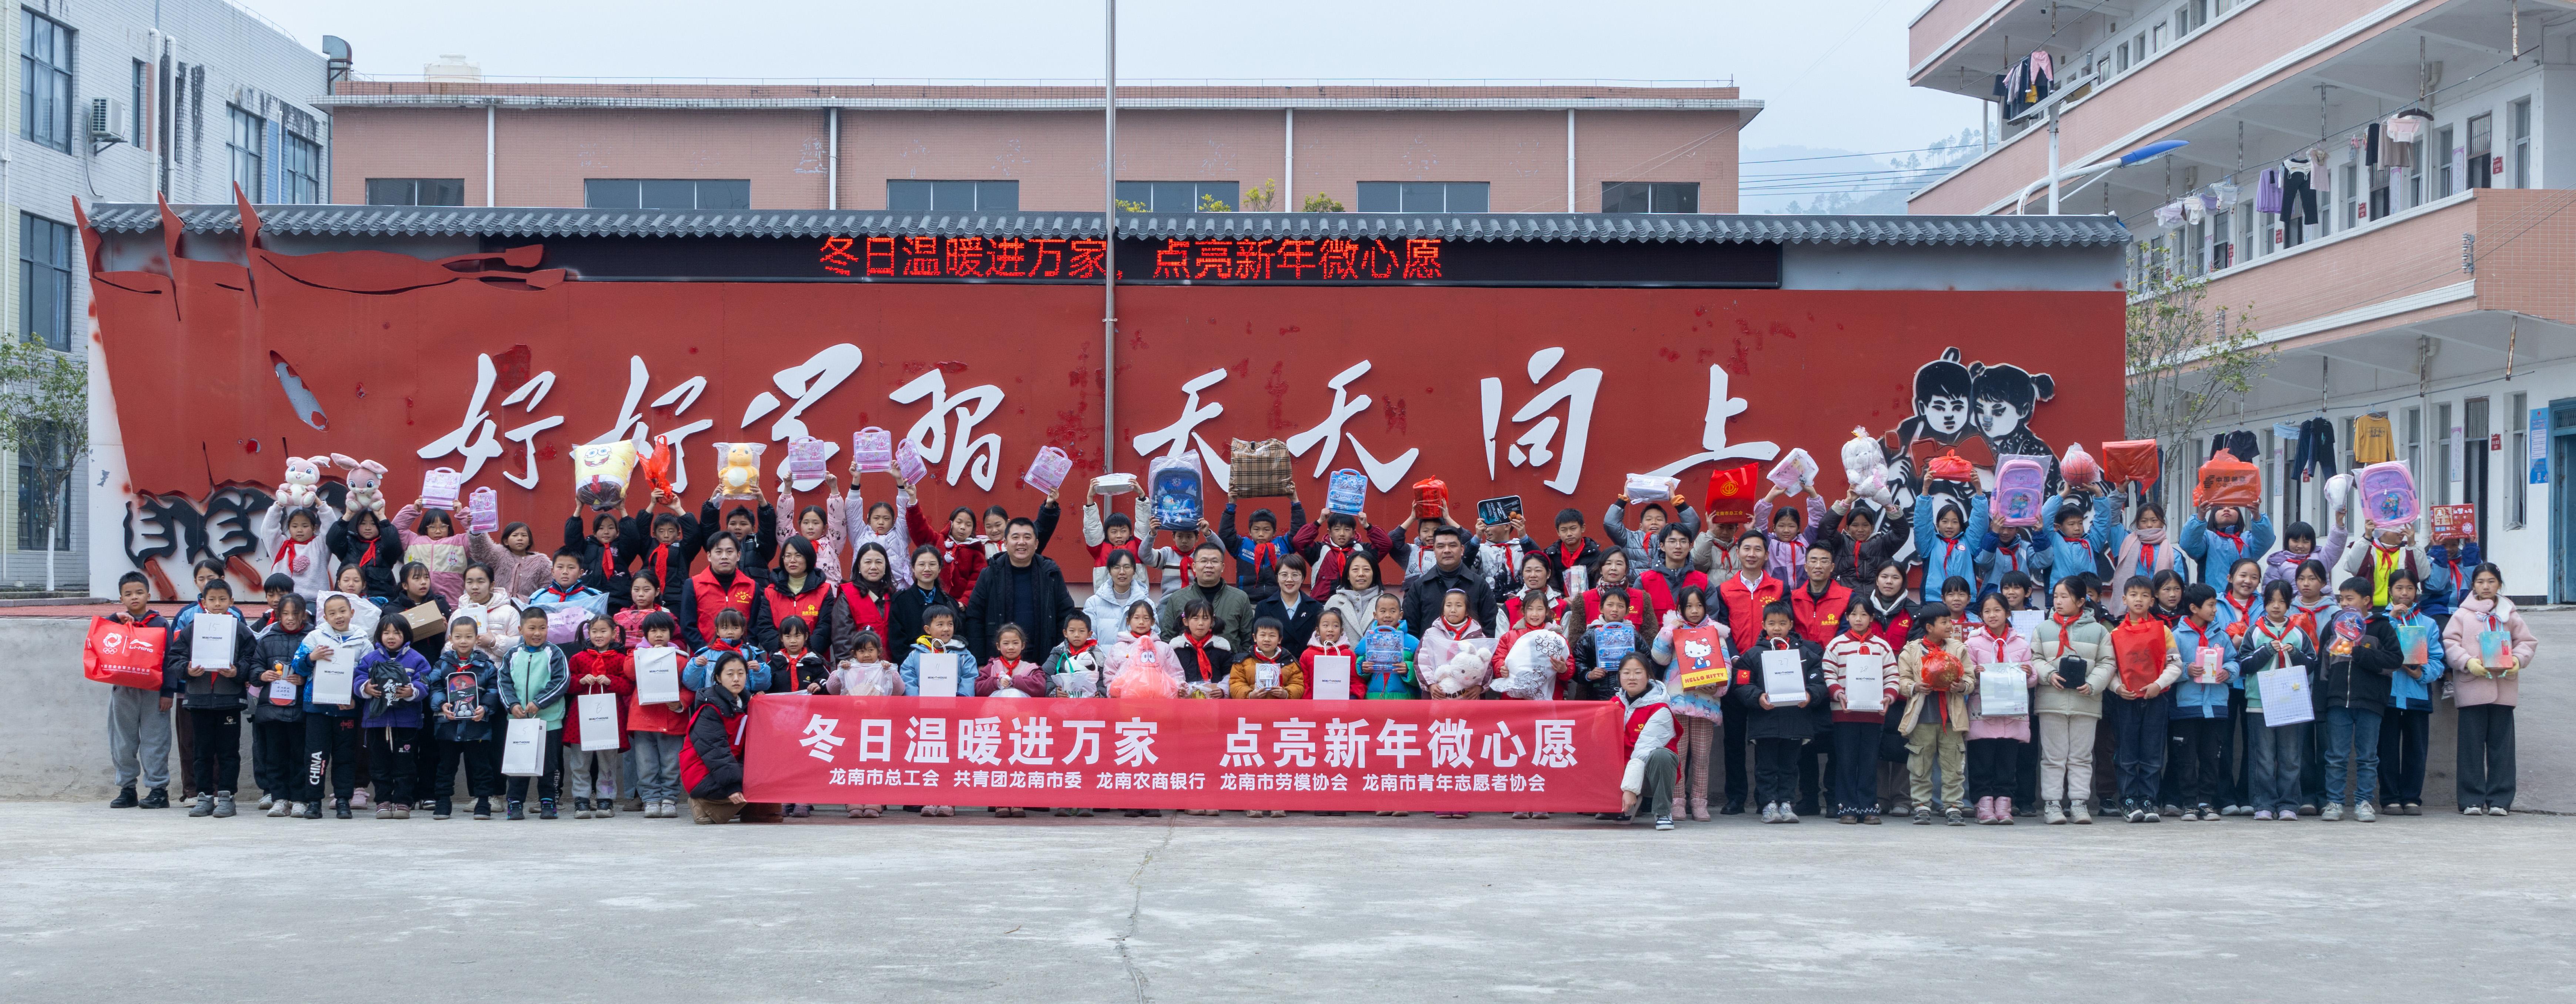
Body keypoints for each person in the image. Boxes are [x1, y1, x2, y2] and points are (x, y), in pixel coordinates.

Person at [2444, 563, 2533, 816]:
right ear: (2473, 585)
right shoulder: (2463, 614)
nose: (2486, 586)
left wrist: (2518, 659)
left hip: (2503, 689)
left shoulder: (2510, 614)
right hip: (2472, 689)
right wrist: (2467, 662)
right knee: (2470, 747)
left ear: (2500, 585)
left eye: (2492, 581)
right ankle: (2471, 800)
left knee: (2502, 748)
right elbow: (2450, 642)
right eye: (2481, 581)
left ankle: (2500, 800)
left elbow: (2527, 642)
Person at [167, 577, 256, 819]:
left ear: (232, 602)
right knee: (202, 752)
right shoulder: (193, 628)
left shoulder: (240, 630)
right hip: (199, 700)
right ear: (203, 602)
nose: (218, 604)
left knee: (229, 752)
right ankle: (204, 796)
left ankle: (227, 797)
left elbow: (252, 659)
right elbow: (175, 658)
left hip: (229, 701)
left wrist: (238, 672)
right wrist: (188, 670)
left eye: (223, 599)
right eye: (213, 600)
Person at [1730, 602, 1825, 824]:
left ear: (1791, 625)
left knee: (1790, 767)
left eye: (1782, 623)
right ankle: (1769, 805)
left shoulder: (1805, 654)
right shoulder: (1752, 655)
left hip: (1796, 721)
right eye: (1772, 623)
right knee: (1766, 767)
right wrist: (1757, 697)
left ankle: (1787, 803)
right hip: (1765, 723)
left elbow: (1819, 682)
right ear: (1763, 625)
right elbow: (1742, 684)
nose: (1777, 628)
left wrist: (1810, 695)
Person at [2317, 576, 2402, 821]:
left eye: (2350, 598)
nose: (2345, 604)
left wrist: (2360, 653)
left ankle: (2364, 802)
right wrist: (2321, 702)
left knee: (2367, 757)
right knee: (2336, 757)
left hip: (2370, 702)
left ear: (2366, 601)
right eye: (2341, 599)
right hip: (2337, 701)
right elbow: (2322, 667)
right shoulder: (2333, 626)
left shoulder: (2381, 627)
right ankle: (2335, 803)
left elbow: (2394, 661)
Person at [2030, 573, 2113, 824]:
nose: (2058, 601)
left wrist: (2093, 684)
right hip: (2051, 701)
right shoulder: (2043, 629)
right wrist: (2049, 675)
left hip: (2086, 702)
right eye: (2056, 596)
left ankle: (2079, 803)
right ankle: (2052, 804)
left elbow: (2108, 662)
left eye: (2064, 597)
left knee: (2081, 757)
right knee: (2053, 757)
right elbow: (2034, 659)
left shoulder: (2099, 631)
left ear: (2080, 601)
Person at [2106, 576, 2183, 823]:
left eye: (2145, 595)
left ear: (2152, 601)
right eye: (2133, 595)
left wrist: (2158, 685)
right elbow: (2109, 667)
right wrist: (2117, 688)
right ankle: (2128, 800)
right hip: (2126, 700)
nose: (2139, 600)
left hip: (2156, 698)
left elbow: (2176, 664)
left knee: (2152, 752)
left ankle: (2149, 799)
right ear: (2124, 599)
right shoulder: (2115, 634)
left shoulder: (2164, 631)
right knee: (2126, 752)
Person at [2236, 580, 2314, 821]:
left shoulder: (2299, 632)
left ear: (2289, 603)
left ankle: (2289, 804)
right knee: (2264, 757)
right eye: (2271, 601)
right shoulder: (2255, 631)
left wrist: (2295, 653)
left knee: (2291, 757)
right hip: (2260, 702)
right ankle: (2264, 804)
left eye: (2282, 601)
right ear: (2265, 603)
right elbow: (2244, 665)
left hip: (2292, 702)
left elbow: (2312, 663)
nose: (2276, 606)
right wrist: (2267, 650)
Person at [291, 593, 373, 820]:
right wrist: (312, 657)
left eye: (343, 611)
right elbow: (297, 667)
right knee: (316, 755)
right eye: (333, 613)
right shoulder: (315, 637)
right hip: (317, 709)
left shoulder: (363, 642)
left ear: (352, 613)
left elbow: (368, 675)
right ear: (325, 617)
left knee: (345, 755)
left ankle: (343, 800)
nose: (339, 616)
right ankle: (314, 801)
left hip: (347, 710)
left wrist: (356, 698)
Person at [1647, 585, 1725, 819]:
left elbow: (1727, 665)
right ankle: (1677, 802)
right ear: (1680, 608)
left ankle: (1700, 802)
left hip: (1706, 704)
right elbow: (1659, 657)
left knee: (1702, 757)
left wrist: (1719, 687)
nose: (1694, 611)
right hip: (1678, 703)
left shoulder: (1715, 632)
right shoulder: (1673, 629)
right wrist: (1669, 630)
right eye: (1689, 606)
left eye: (1699, 606)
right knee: (1678, 756)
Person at [102, 572, 175, 810]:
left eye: (139, 592)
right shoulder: (116, 623)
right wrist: (115, 618)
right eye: (128, 594)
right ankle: (127, 789)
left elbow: (170, 659)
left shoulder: (160, 623)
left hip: (155, 692)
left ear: (149, 595)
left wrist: (168, 692)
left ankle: (158, 790)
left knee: (156, 741)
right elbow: (100, 637)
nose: (134, 597)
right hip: (124, 691)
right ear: (121, 598)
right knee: (123, 741)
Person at [2374, 570, 2445, 816]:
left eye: (2410, 588)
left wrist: (2420, 674)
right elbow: (2374, 651)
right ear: (2390, 591)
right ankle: (2390, 799)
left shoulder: (2428, 624)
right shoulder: (2380, 621)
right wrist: (2392, 621)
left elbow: (2437, 660)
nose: (2404, 593)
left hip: (2417, 695)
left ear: (2417, 592)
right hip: (2388, 695)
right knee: (2387, 748)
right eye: (2399, 588)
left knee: (2417, 749)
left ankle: (2412, 798)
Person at [1962, 591, 2035, 824]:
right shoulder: (1972, 643)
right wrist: (1974, 674)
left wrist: (2029, 673)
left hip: (2012, 715)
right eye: (1987, 611)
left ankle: (2004, 805)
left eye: (1997, 610)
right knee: (1981, 762)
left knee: (2007, 763)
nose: (1992, 615)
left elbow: (2033, 679)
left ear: (2008, 613)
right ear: (1981, 615)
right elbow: (1965, 676)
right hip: (1982, 713)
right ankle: (1983, 805)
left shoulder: (2021, 643)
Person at [965, 517, 1081, 662]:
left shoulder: (1050, 574)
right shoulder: (990, 574)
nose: (1022, 542)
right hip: (997, 663)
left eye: (1027, 537)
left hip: (1045, 661)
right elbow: (975, 618)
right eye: (1015, 537)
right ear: (1006, 543)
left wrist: (1060, 659)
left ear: (1036, 543)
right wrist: (981, 661)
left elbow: (1065, 616)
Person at [1823, 600, 1897, 824]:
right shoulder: (1837, 645)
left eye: (1864, 615)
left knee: (1869, 761)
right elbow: (1829, 674)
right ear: (1847, 617)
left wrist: (1889, 697)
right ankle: (1846, 807)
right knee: (1845, 761)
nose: (1858, 619)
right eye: (1854, 614)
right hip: (1844, 714)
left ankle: (1868, 806)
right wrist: (1838, 694)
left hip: (1874, 715)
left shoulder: (1882, 647)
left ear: (1872, 618)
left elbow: (1893, 676)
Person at [2167, 583, 2237, 821]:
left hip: (2216, 707)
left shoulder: (2221, 635)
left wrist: (2228, 672)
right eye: (2211, 605)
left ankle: (2206, 802)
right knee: (2185, 758)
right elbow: (2168, 665)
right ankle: (2189, 803)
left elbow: (2234, 661)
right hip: (2187, 707)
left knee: (2212, 757)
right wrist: (2186, 670)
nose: (2215, 610)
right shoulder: (2176, 635)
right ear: (2194, 608)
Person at [1898, 602, 1972, 824]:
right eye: (1945, 622)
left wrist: (1962, 686)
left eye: (1950, 621)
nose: (1950, 626)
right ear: (1929, 627)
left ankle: (1953, 806)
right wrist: (1915, 687)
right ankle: (1922, 805)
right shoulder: (1911, 650)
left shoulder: (1958, 649)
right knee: (1920, 763)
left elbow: (1970, 678)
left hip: (1952, 717)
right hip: (1922, 716)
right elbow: (1902, 681)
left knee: (1953, 764)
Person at [356, 616, 432, 819]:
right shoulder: (370, 659)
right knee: (378, 765)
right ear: (379, 635)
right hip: (377, 722)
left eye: (397, 633)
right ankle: (383, 801)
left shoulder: (417, 659)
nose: (391, 637)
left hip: (406, 723)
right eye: (386, 633)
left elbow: (425, 682)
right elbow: (358, 679)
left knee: (405, 764)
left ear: (406, 635)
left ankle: (403, 802)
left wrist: (412, 691)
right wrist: (366, 688)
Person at [499, 608, 570, 820]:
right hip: (519, 721)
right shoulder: (512, 655)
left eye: (543, 628)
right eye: (532, 628)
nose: (538, 633)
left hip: (549, 721)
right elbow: (504, 683)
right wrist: (512, 705)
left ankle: (548, 802)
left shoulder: (555, 653)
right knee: (518, 764)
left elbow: (561, 682)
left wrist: (540, 702)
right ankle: (515, 803)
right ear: (521, 629)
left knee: (549, 765)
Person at [248, 593, 312, 815]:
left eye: (296, 614)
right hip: (272, 711)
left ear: (304, 615)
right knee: (275, 757)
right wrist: (262, 675)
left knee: (300, 756)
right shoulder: (267, 639)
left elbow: (321, 670)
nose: (291, 618)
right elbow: (254, 667)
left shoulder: (313, 639)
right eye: (286, 614)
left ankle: (300, 799)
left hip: (301, 710)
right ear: (278, 615)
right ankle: (279, 799)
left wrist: (304, 679)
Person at [626, 612, 693, 820]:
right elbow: (629, 673)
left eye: (663, 630)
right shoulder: (635, 655)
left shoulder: (681, 659)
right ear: (646, 634)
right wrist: (648, 656)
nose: (658, 635)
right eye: (653, 631)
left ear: (671, 634)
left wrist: (681, 702)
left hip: (672, 719)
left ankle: (669, 800)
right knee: (646, 765)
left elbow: (690, 687)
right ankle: (651, 800)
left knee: (671, 765)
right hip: (643, 720)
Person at [564, 616, 631, 820]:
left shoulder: (621, 659)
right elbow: (567, 685)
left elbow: (628, 687)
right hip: (581, 717)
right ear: (589, 633)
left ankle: (606, 799)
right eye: (595, 631)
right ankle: (581, 799)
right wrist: (580, 680)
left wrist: (611, 681)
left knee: (607, 760)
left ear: (614, 633)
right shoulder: (578, 658)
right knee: (580, 762)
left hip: (610, 717)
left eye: (604, 631)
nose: (599, 636)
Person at [680, 651, 755, 824]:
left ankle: (749, 812)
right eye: (730, 674)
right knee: (756, 783)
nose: (736, 679)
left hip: (727, 770)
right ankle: (703, 805)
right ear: (719, 678)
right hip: (703, 773)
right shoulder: (710, 709)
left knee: (766, 778)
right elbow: (716, 752)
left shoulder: (747, 705)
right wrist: (733, 786)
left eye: (741, 673)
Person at [1612, 653, 1681, 831]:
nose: (1632, 678)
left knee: (1662, 755)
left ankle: (1662, 812)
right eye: (1626, 673)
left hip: (1649, 777)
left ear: (1649, 676)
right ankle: (1612, 806)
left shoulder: (1661, 709)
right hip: (1620, 771)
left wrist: (1630, 789)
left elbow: (1643, 751)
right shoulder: (1613, 704)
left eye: (1638, 673)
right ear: (1619, 676)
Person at [1403, 525, 1496, 640]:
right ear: (1434, 551)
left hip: (1471, 650)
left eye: (1453, 546)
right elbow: (1411, 632)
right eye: (1441, 546)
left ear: (1462, 550)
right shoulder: (1419, 587)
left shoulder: (1479, 585)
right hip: (1430, 650)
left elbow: (1490, 628)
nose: (1447, 550)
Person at [687, 533, 777, 651]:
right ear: (709, 556)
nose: (724, 557)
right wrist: (706, 652)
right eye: (719, 552)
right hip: (705, 657)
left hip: (742, 657)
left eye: (730, 552)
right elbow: (688, 626)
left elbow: (754, 627)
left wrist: (745, 651)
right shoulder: (693, 584)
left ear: (739, 555)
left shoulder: (752, 586)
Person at [1293, 506, 1396, 603]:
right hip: (1323, 605)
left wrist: (1367, 526)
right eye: (1337, 530)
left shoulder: (1362, 550)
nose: (1342, 534)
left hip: (1355, 604)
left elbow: (1386, 544)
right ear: (1329, 533)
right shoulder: (1319, 550)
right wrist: (1319, 521)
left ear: (1354, 533)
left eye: (1347, 530)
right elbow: (1299, 541)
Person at [1220, 497, 1307, 606]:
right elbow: (1226, 534)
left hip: (1279, 603)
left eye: (1266, 530)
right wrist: (1231, 506)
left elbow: (1299, 532)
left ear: (1274, 532)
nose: (1261, 534)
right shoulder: (1241, 546)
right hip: (1248, 604)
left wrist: (1295, 502)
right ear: (1250, 531)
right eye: (1256, 529)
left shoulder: (1283, 545)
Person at [1911, 485, 1991, 603]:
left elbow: (1979, 524)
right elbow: (1922, 524)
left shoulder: (1969, 544)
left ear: (1961, 526)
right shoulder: (1929, 545)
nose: (1949, 526)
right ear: (1938, 525)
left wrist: (1979, 491)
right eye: (1945, 522)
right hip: (1934, 601)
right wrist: (1925, 491)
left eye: (1955, 522)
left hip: (1965, 603)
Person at [769, 536, 842, 665]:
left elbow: (826, 627)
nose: (792, 560)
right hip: (779, 663)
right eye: (788, 556)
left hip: (814, 662)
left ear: (808, 558)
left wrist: (806, 654)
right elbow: (765, 628)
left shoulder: (824, 591)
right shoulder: (770, 592)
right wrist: (785, 653)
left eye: (798, 556)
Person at [390, 499, 474, 603]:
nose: (438, 531)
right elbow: (397, 529)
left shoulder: (460, 542)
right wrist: (413, 510)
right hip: (417, 605)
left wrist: (462, 514)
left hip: (451, 604)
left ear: (449, 528)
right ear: (425, 528)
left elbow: (476, 534)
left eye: (443, 527)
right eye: (432, 527)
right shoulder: (412, 541)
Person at [775, 473, 850, 587]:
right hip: (800, 593)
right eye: (806, 523)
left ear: (825, 527)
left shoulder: (832, 543)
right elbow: (783, 521)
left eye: (816, 523)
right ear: (800, 524)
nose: (810, 527)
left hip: (829, 594)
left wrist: (834, 489)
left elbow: (838, 520)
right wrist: (787, 488)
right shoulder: (793, 543)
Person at [2178, 504, 2275, 590]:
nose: (2227, 510)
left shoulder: (2248, 539)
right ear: (2213, 516)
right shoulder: (2207, 538)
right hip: (2213, 599)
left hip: (2246, 598)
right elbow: (2188, 544)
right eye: (2221, 509)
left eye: (2232, 508)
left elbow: (2266, 540)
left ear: (2239, 516)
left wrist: (2257, 517)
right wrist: (2200, 518)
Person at [259, 499, 339, 603]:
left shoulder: (321, 545)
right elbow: (268, 530)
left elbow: (331, 528)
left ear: (314, 528)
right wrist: (279, 505)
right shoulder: (281, 546)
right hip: (284, 601)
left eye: (305, 526)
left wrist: (318, 502)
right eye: (295, 526)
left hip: (314, 602)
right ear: (289, 528)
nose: (300, 530)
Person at [1571, 591, 1643, 702]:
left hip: (1631, 694)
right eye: (1610, 605)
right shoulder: (1591, 634)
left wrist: (1637, 673)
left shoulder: (1633, 634)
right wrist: (1588, 674)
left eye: (1621, 606)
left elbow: (1647, 660)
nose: (1615, 609)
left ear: (1627, 611)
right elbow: (1578, 660)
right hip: (1598, 694)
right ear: (1601, 608)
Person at [1605, 492, 1701, 574]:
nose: (1654, 522)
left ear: (1666, 525)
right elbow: (1611, 523)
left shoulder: (1673, 539)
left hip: (1667, 588)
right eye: (1649, 519)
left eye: (1659, 519)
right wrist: (1624, 499)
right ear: (1641, 526)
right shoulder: (1629, 539)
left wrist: (1675, 500)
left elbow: (1693, 523)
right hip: (1635, 588)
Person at [2093, 493, 2177, 586]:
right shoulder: (2125, 543)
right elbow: (2112, 521)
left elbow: (2179, 585)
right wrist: (2119, 493)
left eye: (2154, 521)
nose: (2149, 525)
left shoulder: (2173, 554)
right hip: (2128, 595)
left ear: (2162, 523)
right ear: (2138, 524)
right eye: (2144, 521)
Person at [699, 490, 780, 585]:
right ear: (727, 527)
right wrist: (714, 501)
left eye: (743, 524)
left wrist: (763, 503)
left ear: (753, 529)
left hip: (757, 594)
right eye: (733, 524)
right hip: (725, 592)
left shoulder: (759, 544)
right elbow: (709, 527)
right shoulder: (719, 543)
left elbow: (768, 529)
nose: (738, 527)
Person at [886, 546, 953, 659]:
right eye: (922, 565)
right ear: (913, 568)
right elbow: (897, 642)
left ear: (940, 569)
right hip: (910, 664)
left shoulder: (948, 602)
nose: (927, 569)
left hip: (944, 663)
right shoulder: (901, 601)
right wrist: (914, 662)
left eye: (932, 564)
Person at [563, 503, 638, 600]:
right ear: (594, 533)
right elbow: (572, 537)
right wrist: (579, 508)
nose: (606, 532)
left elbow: (632, 537)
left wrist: (622, 510)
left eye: (611, 528)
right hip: (588, 599)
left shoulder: (623, 548)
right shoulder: (585, 547)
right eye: (601, 528)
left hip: (617, 600)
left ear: (618, 532)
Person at [329, 506, 406, 600]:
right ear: (357, 525)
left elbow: (393, 545)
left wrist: (382, 518)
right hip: (347, 600)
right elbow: (333, 541)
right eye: (363, 523)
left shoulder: (384, 546)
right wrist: (348, 515)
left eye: (373, 524)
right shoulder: (349, 543)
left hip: (380, 601)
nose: (368, 528)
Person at [1787, 543, 1852, 646]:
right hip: (1801, 654)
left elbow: (1847, 634)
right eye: (1813, 561)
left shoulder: (1848, 597)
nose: (1818, 566)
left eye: (1824, 561)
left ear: (1832, 567)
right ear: (1806, 567)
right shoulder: (1792, 598)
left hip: (1834, 655)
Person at [471, 520, 553, 600]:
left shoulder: (541, 562)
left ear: (529, 542)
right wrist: (477, 531)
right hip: (498, 603)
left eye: (524, 535)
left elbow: (547, 588)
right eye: (515, 535)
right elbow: (482, 550)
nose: (520, 539)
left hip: (527, 607)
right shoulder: (499, 555)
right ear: (506, 541)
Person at [1356, 594, 1418, 700]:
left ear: (1401, 615)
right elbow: (1356, 675)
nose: (1388, 615)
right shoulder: (1366, 642)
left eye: (1393, 611)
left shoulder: (1413, 643)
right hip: (1374, 699)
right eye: (1383, 611)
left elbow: (1423, 672)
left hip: (1404, 701)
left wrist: (1409, 668)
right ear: (1375, 615)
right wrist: (1363, 669)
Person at [1084, 549, 1155, 641]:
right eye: (1117, 567)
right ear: (1110, 571)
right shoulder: (1093, 603)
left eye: (1127, 567)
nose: (1122, 572)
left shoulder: (1148, 604)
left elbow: (1154, 636)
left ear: (1134, 570)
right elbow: (1088, 638)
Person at [1323, 555, 1391, 646]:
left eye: (1367, 570)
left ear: (1374, 574)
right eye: (1355, 570)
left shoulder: (1387, 603)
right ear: (1348, 575)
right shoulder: (1334, 602)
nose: (1361, 574)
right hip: (1340, 655)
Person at [2264, 519, 2349, 587]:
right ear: (2287, 541)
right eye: (2295, 541)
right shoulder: (2278, 564)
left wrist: (2339, 524)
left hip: (2322, 603)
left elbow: (2336, 545)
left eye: (2305, 542)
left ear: (2312, 543)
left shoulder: (2321, 557)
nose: (2300, 546)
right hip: (2292, 604)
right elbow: (2270, 591)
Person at [976, 624, 1048, 699]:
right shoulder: (992, 667)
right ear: (998, 646)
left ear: (1023, 645)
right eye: (1006, 643)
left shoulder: (1032, 669)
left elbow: (1041, 688)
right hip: (997, 706)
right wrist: (996, 683)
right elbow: (979, 688)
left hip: (1023, 707)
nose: (1011, 647)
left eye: (1016, 643)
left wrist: (1015, 682)